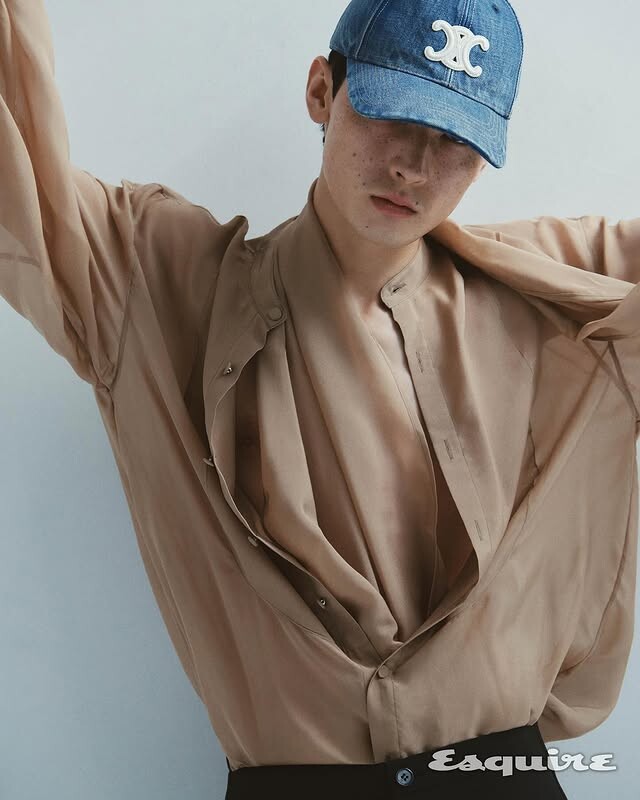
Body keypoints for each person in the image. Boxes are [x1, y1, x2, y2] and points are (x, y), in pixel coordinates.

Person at [2, 0, 639, 798]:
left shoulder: (560, 284)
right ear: (320, 92)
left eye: (455, 138)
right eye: (391, 113)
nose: (414, 166)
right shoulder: (156, 282)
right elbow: (17, 175)